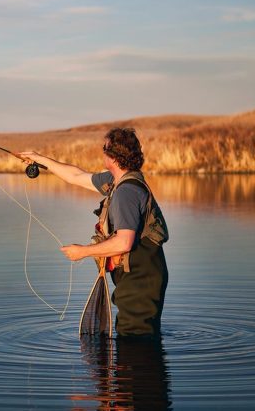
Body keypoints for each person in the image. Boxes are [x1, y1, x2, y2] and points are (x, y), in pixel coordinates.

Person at [20, 128, 169, 338]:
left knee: (135, 338)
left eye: (104, 148)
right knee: (136, 337)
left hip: (141, 279)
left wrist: (83, 252)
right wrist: (40, 159)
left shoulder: (126, 192)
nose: (102, 153)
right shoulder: (117, 181)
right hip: (137, 276)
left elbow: (124, 242)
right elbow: (76, 176)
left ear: (114, 156)